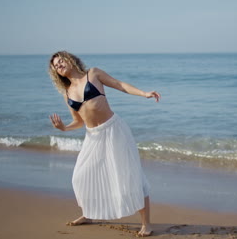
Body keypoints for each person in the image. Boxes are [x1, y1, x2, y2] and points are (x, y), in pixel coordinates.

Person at [48, 51, 160, 237]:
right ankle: (88, 214)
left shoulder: (93, 74)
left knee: (131, 177)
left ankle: (146, 224)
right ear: (56, 73)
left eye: (61, 61)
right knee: (81, 176)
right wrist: (63, 128)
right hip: (93, 136)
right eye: (56, 66)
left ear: (71, 60)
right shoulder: (67, 93)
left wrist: (144, 94)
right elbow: (78, 121)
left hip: (114, 130)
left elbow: (120, 85)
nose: (59, 66)